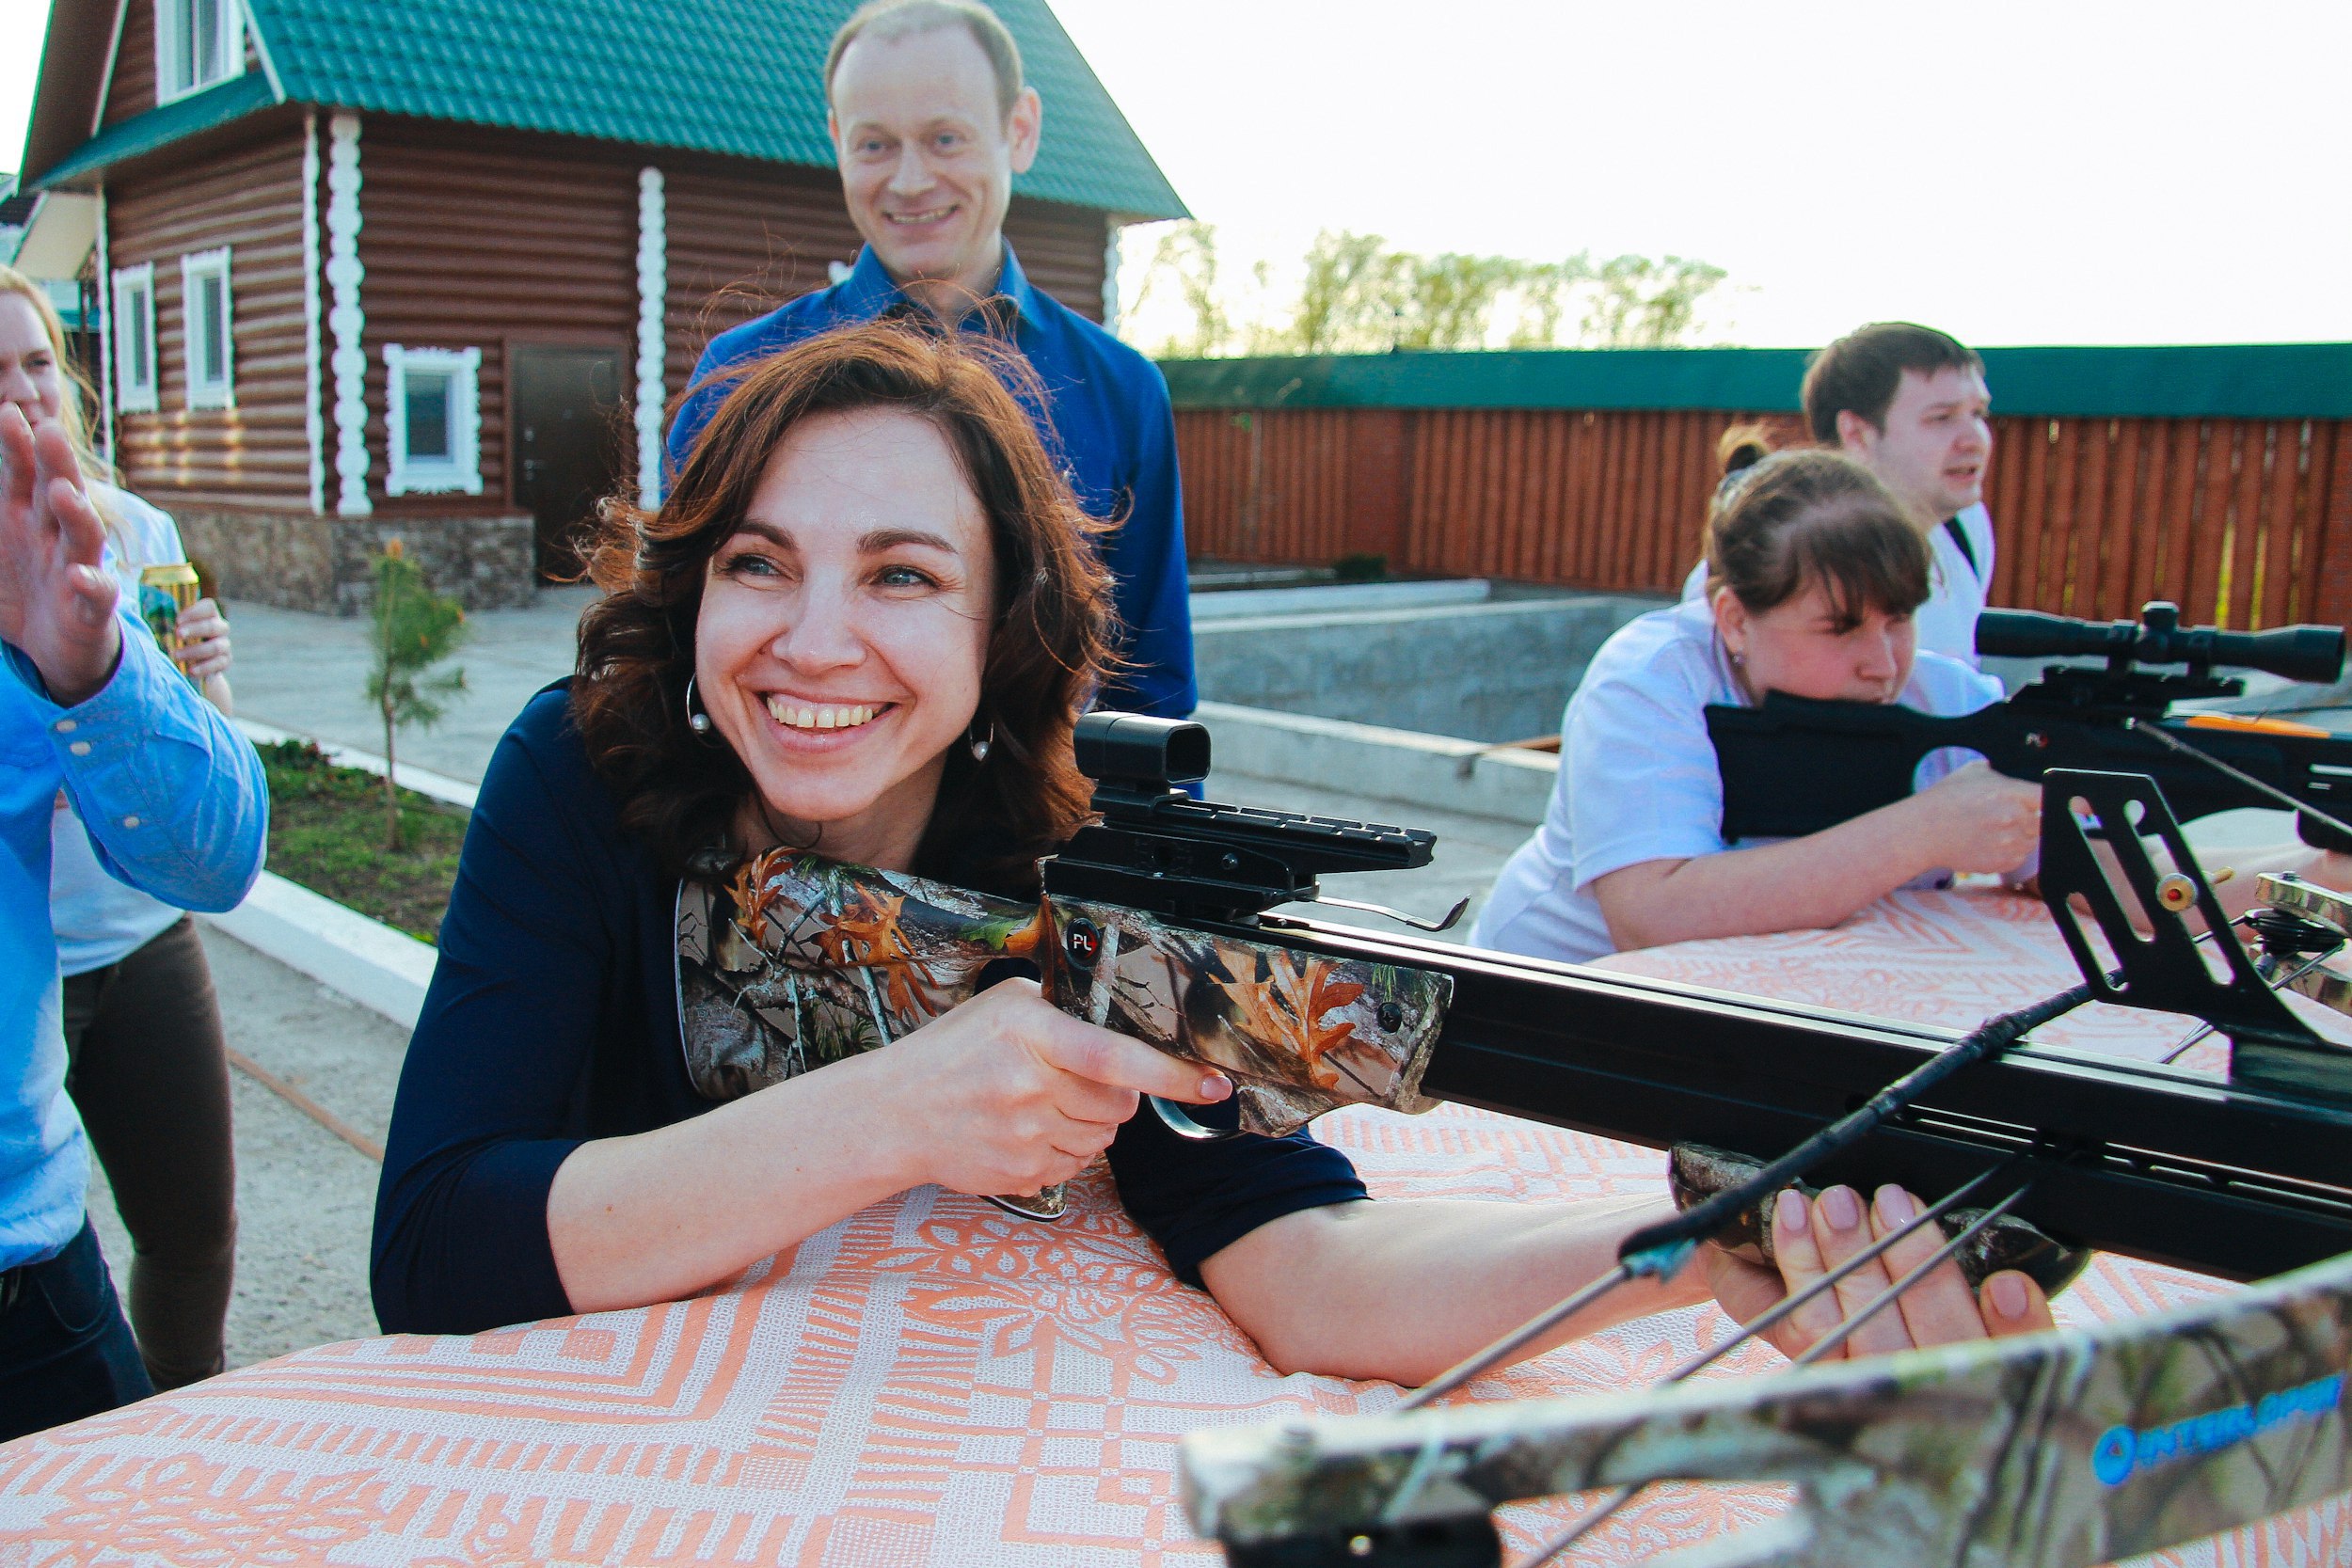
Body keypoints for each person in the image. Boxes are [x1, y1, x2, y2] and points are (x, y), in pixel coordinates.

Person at [373, 325, 2052, 1390]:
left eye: (901, 575)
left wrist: (1693, 1249)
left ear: (997, 627)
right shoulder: (582, 770)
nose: (815, 640)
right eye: (759, 563)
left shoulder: (1090, 872)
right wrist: (894, 1109)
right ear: (695, 590)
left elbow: (1312, 1269)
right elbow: (434, 1248)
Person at [664, 0, 1194, 721]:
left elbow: (1151, 685)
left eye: (946, 138)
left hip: (1040, 793)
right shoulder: (743, 373)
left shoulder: (1121, 390)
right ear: (836, 140)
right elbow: (671, 636)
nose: (910, 180)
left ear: (1020, 130)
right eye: (875, 144)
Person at [0, 393, 266, 1440]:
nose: (17, 396)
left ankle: (182, 1418)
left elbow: (221, 848)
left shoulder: (103, 539)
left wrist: (98, 678)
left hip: (24, 1257)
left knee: (193, 1228)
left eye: (34, 364)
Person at [1682, 323, 1994, 666]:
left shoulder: (1967, 528)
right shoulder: (1755, 564)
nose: (1974, 440)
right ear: (1856, 433)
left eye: (1978, 413)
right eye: (1941, 418)